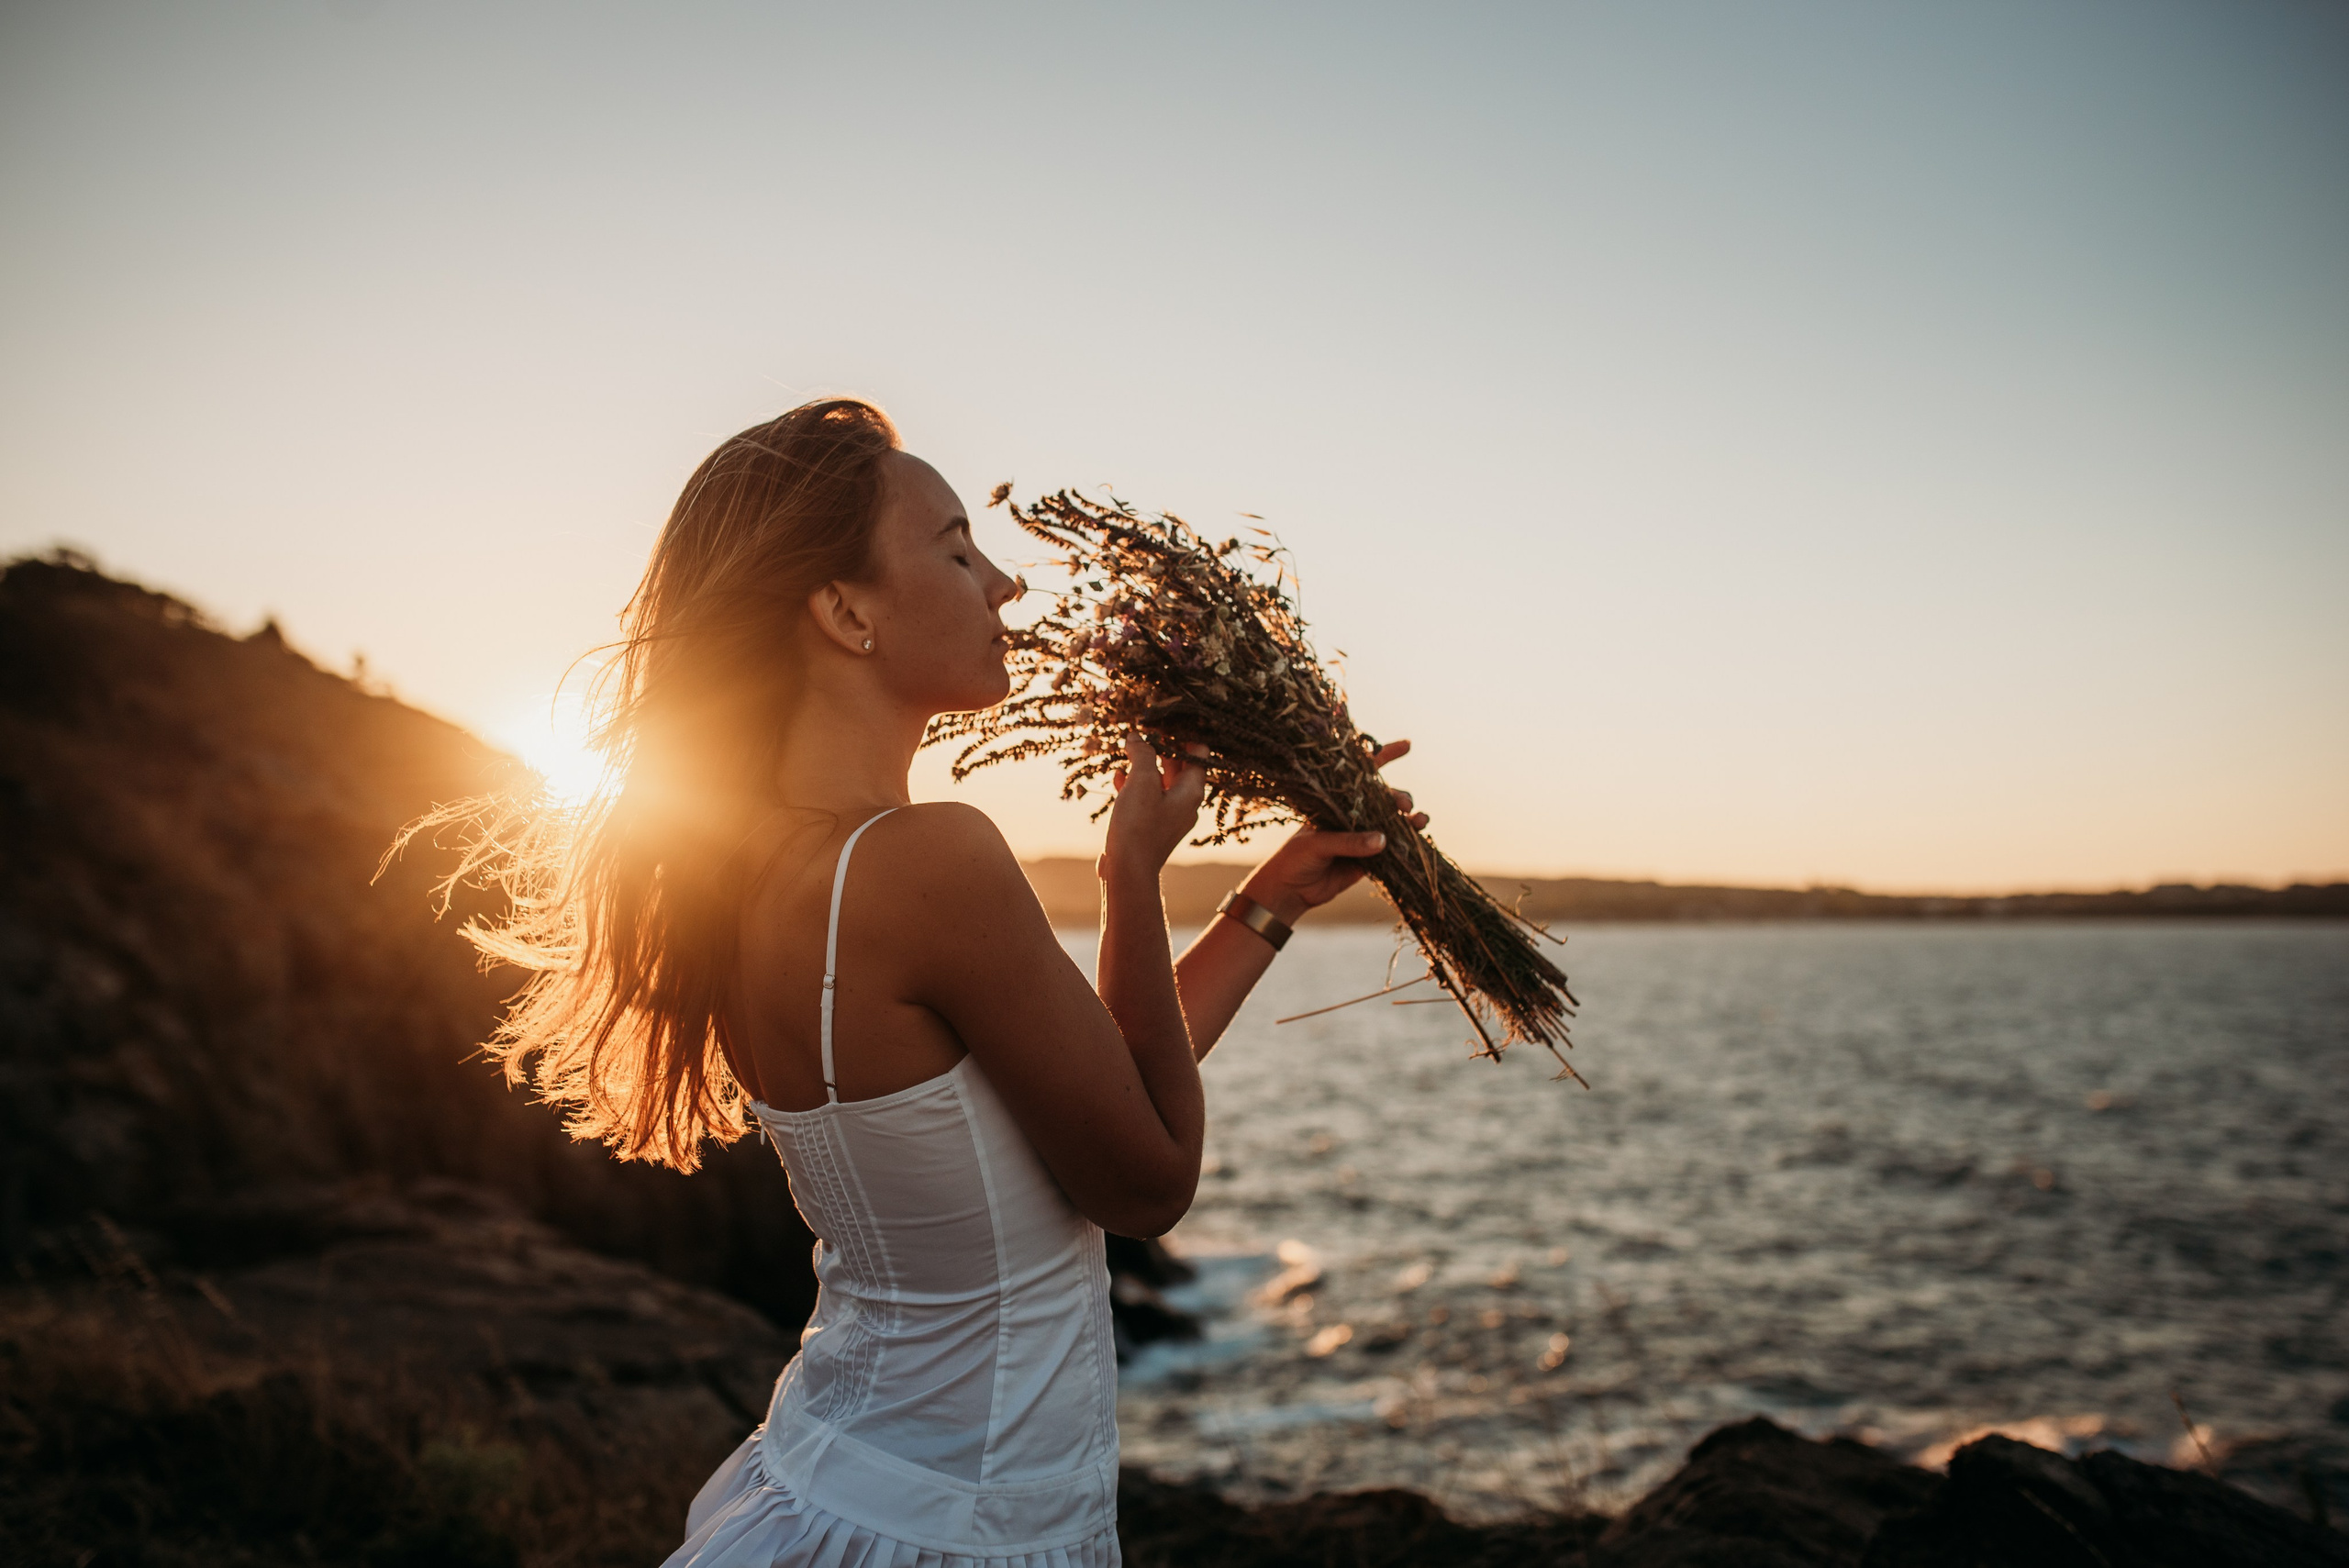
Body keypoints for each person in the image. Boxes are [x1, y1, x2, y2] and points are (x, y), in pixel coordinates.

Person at [435, 398, 1420, 1566]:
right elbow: (1147, 1176)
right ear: (845, 611)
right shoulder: (923, 861)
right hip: (955, 1527)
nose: (1004, 584)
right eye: (957, 548)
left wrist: (1270, 901)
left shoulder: (752, 870)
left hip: (842, 1480)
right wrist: (1132, 872)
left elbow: (1081, 1085)